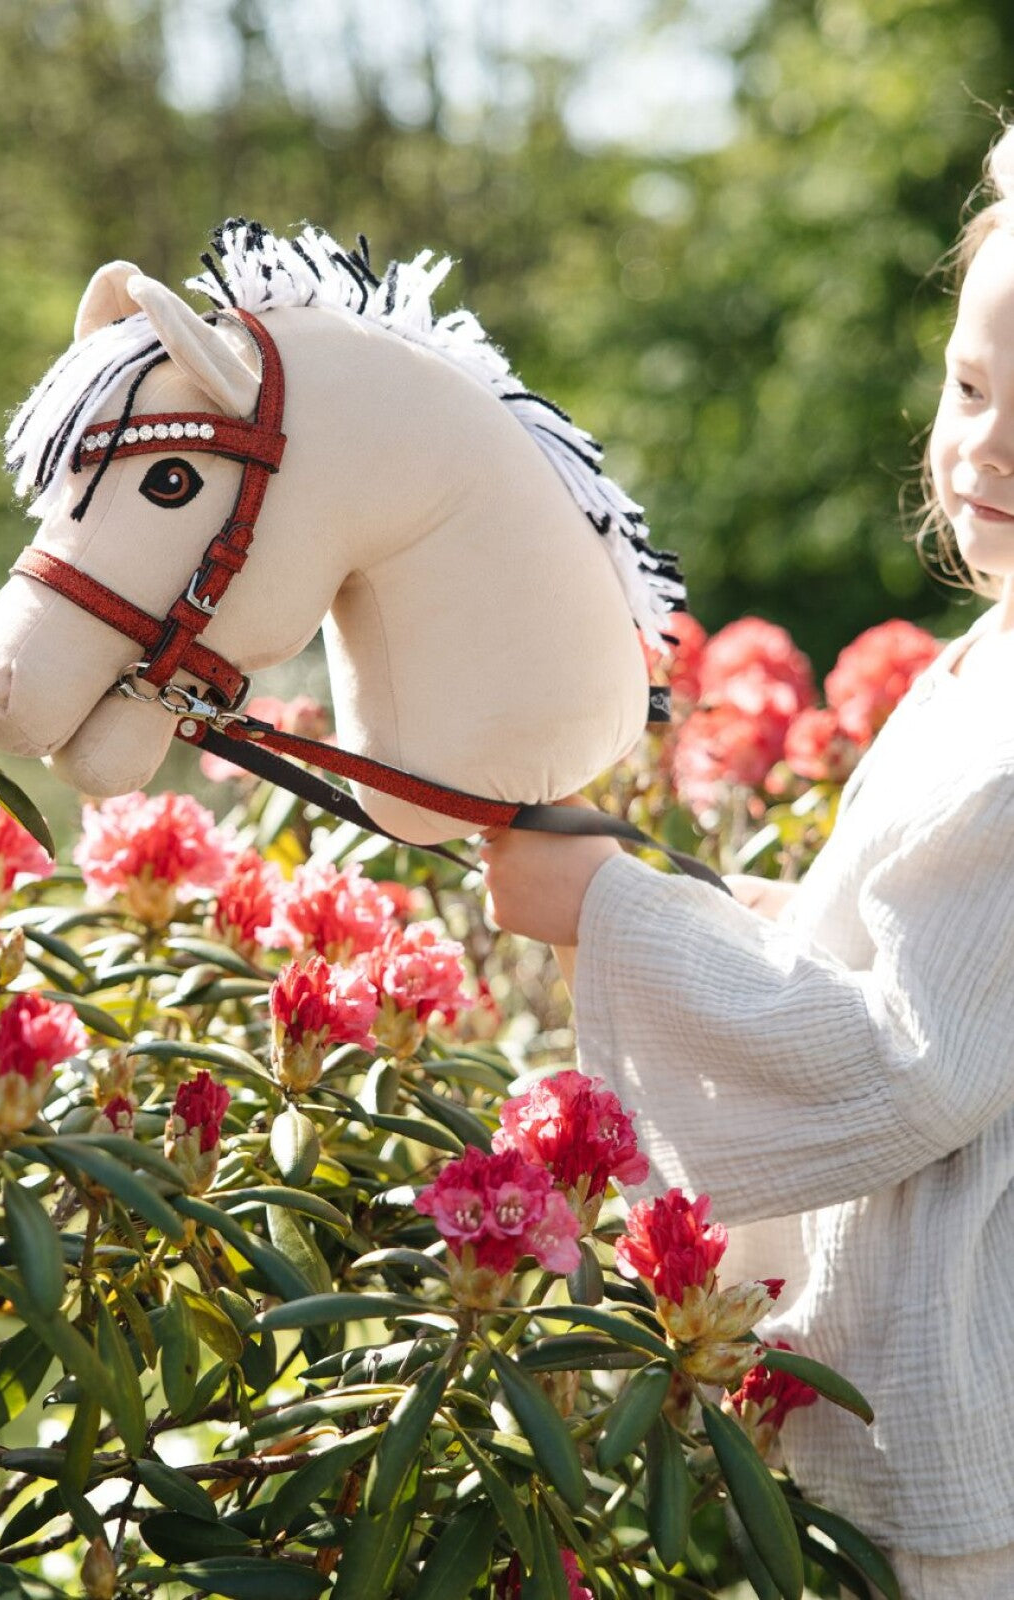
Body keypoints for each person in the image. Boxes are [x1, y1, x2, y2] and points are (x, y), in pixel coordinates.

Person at [481, 130, 1014, 1600]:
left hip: (975, 1376)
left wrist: (609, 909)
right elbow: (899, 943)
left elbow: (913, 1062)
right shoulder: (986, 665)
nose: (989, 446)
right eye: (972, 388)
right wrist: (684, 897)